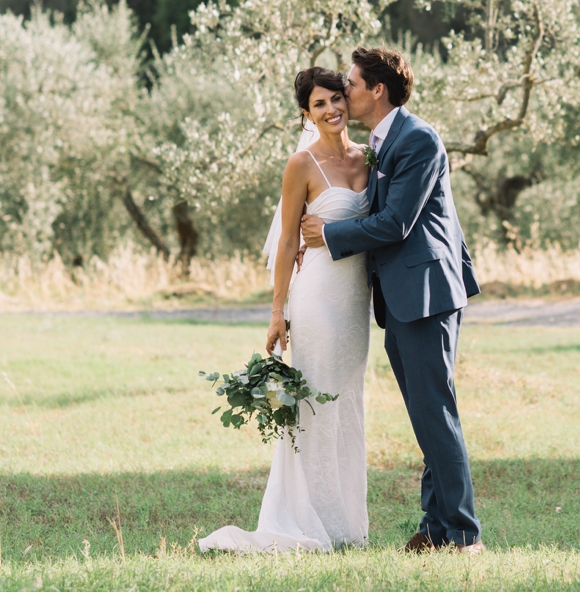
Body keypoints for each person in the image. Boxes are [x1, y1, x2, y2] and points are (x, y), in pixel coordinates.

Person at [300, 46, 483, 554]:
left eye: (352, 85)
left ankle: (464, 536)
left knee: (436, 412)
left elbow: (397, 222)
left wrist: (330, 233)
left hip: (426, 295)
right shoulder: (383, 141)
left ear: (377, 90)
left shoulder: (418, 139)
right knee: (426, 415)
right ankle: (436, 529)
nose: (345, 92)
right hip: (401, 299)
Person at [199, 67, 371, 553]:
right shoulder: (301, 164)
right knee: (315, 400)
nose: (332, 109)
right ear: (306, 114)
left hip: (357, 299)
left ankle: (347, 523)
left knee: (348, 401)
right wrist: (278, 311)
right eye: (319, 104)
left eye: (337, 98)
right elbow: (287, 242)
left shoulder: (369, 159)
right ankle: (309, 518)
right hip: (316, 297)